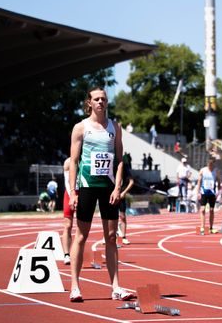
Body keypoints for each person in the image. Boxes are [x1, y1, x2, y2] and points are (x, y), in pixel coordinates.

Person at [68, 87, 135, 303]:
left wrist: (117, 188)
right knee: (81, 236)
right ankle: (75, 287)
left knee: (112, 237)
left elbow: (119, 159)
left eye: (104, 99)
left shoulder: (114, 127)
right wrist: (73, 192)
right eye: (96, 99)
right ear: (89, 102)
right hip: (87, 187)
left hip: (108, 189)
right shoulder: (80, 128)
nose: (100, 102)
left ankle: (115, 287)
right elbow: (74, 162)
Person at [196, 158, 220, 234]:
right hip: (204, 192)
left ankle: (211, 228)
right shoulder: (203, 170)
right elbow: (199, 182)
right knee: (202, 209)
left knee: (212, 210)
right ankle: (202, 227)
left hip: (212, 193)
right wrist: (198, 192)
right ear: (207, 164)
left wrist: (218, 192)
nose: (210, 165)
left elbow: (219, 181)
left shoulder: (216, 171)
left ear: (213, 164)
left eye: (211, 164)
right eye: (209, 164)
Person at [61, 157, 78, 265]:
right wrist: (72, 196)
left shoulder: (86, 159)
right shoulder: (68, 162)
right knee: (68, 225)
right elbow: (67, 182)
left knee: (82, 226)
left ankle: (77, 253)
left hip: (83, 193)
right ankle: (66, 254)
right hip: (70, 194)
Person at [118, 158, 134, 245]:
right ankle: (107, 237)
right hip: (111, 194)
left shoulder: (124, 168)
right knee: (109, 217)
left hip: (121, 195)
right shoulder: (110, 166)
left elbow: (131, 182)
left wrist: (124, 192)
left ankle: (124, 237)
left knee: (122, 216)